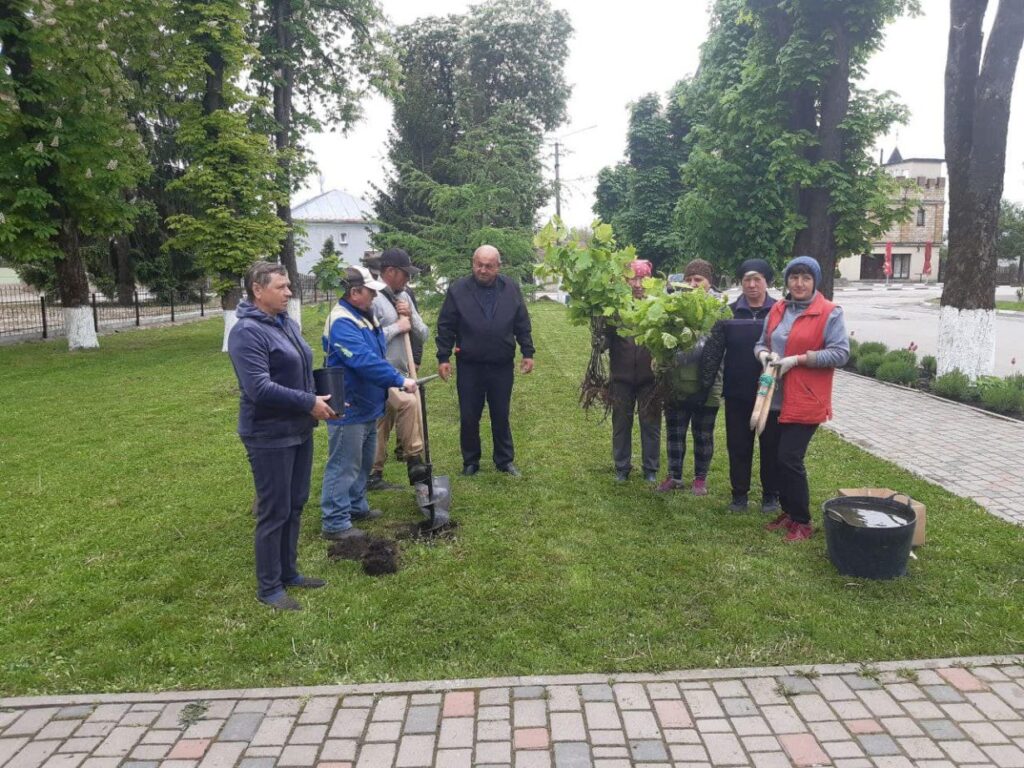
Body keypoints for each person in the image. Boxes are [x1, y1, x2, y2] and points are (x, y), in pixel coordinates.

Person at [227, 261, 334, 612]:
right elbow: (258, 388)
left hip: (298, 428)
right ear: (258, 290)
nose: (289, 292)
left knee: (295, 503)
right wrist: (308, 402)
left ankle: (289, 572)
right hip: (268, 434)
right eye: (281, 287)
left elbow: (298, 368)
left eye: (289, 286)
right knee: (275, 510)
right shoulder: (246, 332)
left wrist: (322, 395)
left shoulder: (285, 322)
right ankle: (269, 587)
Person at [754, 255, 849, 542]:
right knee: (774, 458)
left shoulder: (829, 312)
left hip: (805, 398)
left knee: (789, 458)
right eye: (794, 277)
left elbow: (840, 353)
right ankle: (788, 512)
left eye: (806, 278)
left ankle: (802, 521)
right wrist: (763, 354)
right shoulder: (778, 309)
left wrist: (798, 360)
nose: (799, 283)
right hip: (773, 398)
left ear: (815, 281)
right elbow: (761, 342)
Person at [320, 266, 418, 540]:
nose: (374, 297)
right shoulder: (341, 322)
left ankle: (355, 505)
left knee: (363, 462)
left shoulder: (364, 314)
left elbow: (376, 351)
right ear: (354, 292)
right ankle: (335, 521)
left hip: (368, 403)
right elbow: (363, 360)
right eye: (370, 292)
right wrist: (398, 379)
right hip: (348, 405)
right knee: (344, 464)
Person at [436, 244, 535, 477]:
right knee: (469, 415)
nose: (482, 270)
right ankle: (470, 461)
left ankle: (504, 460)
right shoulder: (458, 290)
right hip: (470, 365)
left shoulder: (511, 288)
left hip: (501, 364)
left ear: (498, 266)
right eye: (479, 265)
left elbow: (522, 322)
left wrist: (527, 352)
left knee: (501, 413)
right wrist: (443, 357)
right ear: (473, 263)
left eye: (488, 266)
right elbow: (446, 325)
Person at [702, 259, 780, 513]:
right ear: (741, 282)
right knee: (738, 446)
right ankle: (739, 495)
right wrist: (705, 383)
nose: (752, 285)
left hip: (772, 395)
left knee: (771, 446)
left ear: (767, 282)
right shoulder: (728, 313)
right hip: (737, 392)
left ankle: (771, 495)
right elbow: (714, 351)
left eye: (757, 279)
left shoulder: (780, 312)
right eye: (747, 279)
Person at [657, 258, 722, 496]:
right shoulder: (673, 305)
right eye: (689, 279)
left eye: (698, 279)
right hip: (676, 381)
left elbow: (713, 346)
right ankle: (674, 476)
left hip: (708, 383)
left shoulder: (719, 307)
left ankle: (700, 479)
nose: (693, 284)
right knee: (675, 431)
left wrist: (681, 352)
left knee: (703, 433)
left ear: (709, 282)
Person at [367, 248, 430, 491]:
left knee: (385, 421)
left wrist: (410, 317)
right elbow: (366, 340)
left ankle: (375, 473)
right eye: (405, 273)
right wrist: (396, 327)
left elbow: (423, 334)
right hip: (378, 373)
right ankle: (413, 459)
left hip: (401, 374)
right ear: (390, 271)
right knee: (402, 408)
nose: (408, 279)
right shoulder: (372, 299)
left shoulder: (404, 297)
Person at [606, 259, 661, 483]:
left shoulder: (658, 307)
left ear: (650, 281)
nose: (637, 284)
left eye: (642, 279)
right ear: (625, 281)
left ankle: (651, 468)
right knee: (621, 423)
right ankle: (622, 466)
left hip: (650, 378)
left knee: (651, 424)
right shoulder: (615, 308)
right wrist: (598, 332)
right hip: (621, 377)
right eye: (633, 279)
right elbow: (604, 343)